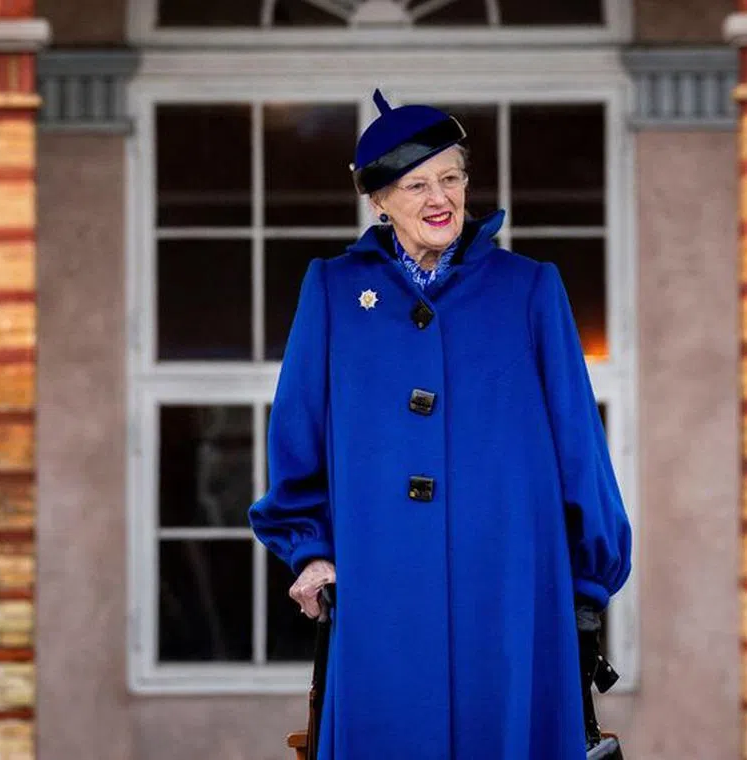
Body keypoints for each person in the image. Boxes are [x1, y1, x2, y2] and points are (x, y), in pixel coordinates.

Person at [249, 89, 632, 760]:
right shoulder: (334, 290)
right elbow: (298, 433)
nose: (440, 198)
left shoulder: (529, 288)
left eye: (451, 179)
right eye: (417, 185)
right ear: (379, 200)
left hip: (511, 581)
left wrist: (586, 583)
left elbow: (579, 442)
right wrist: (309, 549)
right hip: (379, 582)